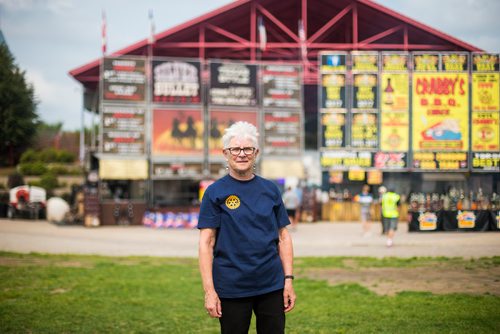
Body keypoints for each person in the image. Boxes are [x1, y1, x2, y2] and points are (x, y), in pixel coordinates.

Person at [198, 121, 296, 334]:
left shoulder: (270, 190)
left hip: (271, 285)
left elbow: (283, 237)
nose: (241, 154)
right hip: (231, 286)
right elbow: (206, 243)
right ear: (226, 153)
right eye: (235, 149)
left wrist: (288, 280)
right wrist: (209, 291)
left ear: (256, 152)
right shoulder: (215, 192)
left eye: (247, 149)